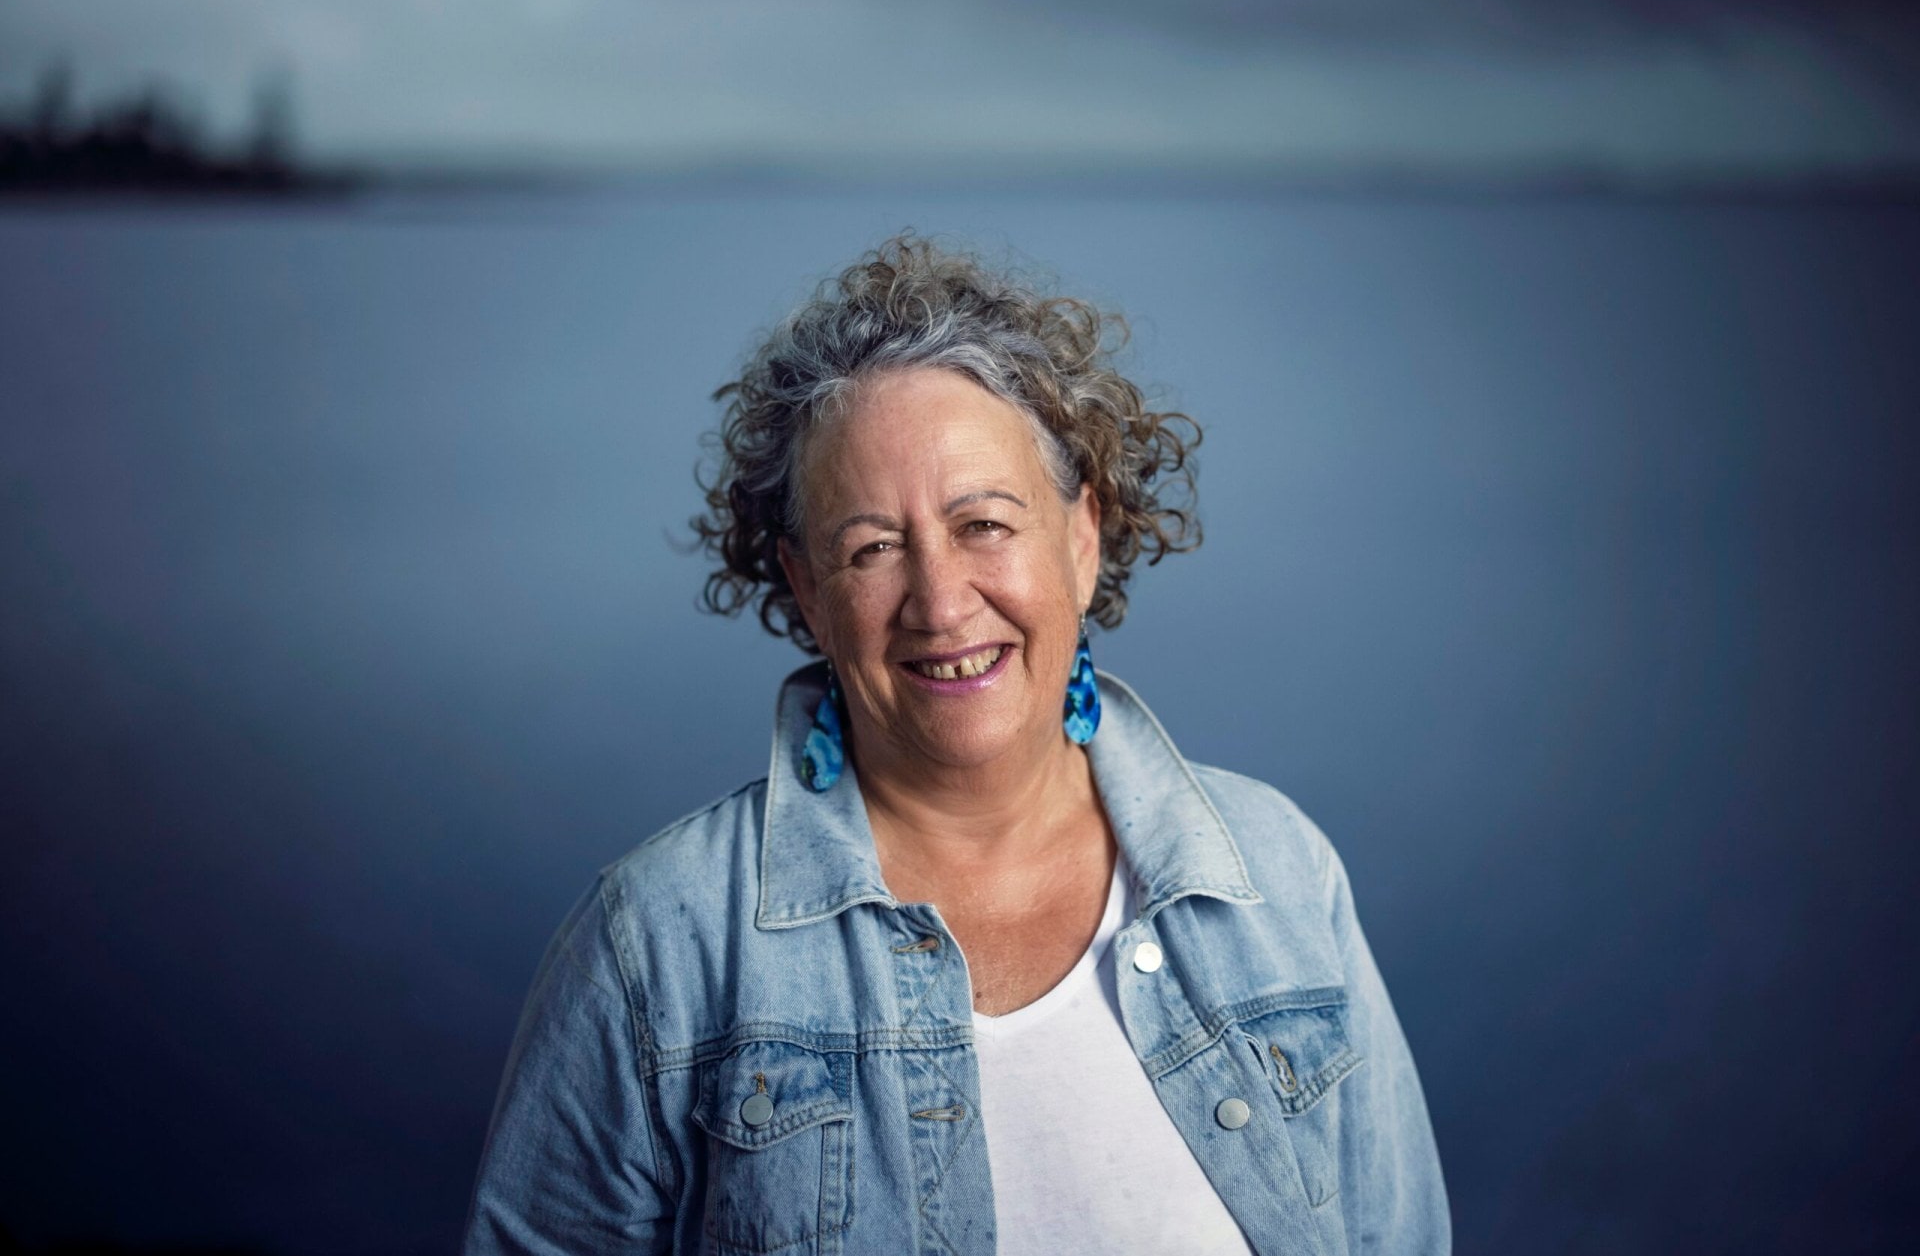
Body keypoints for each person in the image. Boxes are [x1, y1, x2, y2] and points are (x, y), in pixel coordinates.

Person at [463, 235, 1449, 1254]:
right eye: (873, 548)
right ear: (806, 589)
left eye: (984, 525)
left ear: (1081, 537)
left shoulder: (1279, 877)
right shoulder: (660, 943)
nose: (939, 602)